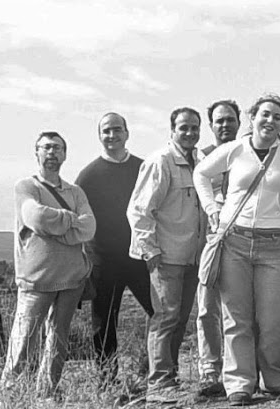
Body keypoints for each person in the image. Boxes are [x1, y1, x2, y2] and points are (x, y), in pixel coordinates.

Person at [193, 95, 280, 405]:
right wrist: (212, 208)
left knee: (274, 318)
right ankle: (239, 384)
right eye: (264, 115)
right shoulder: (233, 150)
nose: (270, 121)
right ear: (252, 117)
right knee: (236, 317)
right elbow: (201, 174)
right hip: (234, 241)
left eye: (276, 117)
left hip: (276, 245)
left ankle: (273, 379)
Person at [3, 131, 96, 399]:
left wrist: (59, 228)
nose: (51, 153)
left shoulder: (75, 191)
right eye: (46, 148)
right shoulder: (26, 187)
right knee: (24, 340)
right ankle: (10, 396)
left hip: (72, 280)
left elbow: (89, 227)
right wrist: (70, 222)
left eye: (57, 148)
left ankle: (46, 393)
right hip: (36, 280)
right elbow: (36, 217)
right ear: (37, 153)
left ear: (65, 154)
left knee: (58, 340)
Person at [126, 107, 207, 402]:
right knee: (165, 317)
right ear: (172, 129)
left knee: (180, 319)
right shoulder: (160, 161)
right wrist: (150, 251)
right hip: (165, 255)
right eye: (183, 127)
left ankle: (169, 379)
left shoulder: (199, 162)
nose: (189, 133)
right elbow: (138, 210)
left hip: (191, 256)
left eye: (194, 128)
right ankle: (158, 384)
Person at [75, 113, 153, 384]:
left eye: (117, 130)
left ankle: (157, 370)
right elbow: (78, 219)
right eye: (106, 131)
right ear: (100, 136)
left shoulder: (144, 168)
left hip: (139, 256)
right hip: (103, 260)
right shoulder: (87, 176)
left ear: (127, 133)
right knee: (103, 324)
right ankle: (107, 380)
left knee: (161, 313)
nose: (112, 135)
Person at [195, 99, 239, 395]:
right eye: (219, 121)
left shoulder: (248, 153)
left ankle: (239, 368)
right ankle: (210, 369)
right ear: (211, 126)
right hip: (209, 241)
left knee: (239, 311)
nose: (225, 125)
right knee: (207, 308)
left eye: (230, 120)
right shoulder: (201, 157)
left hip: (242, 239)